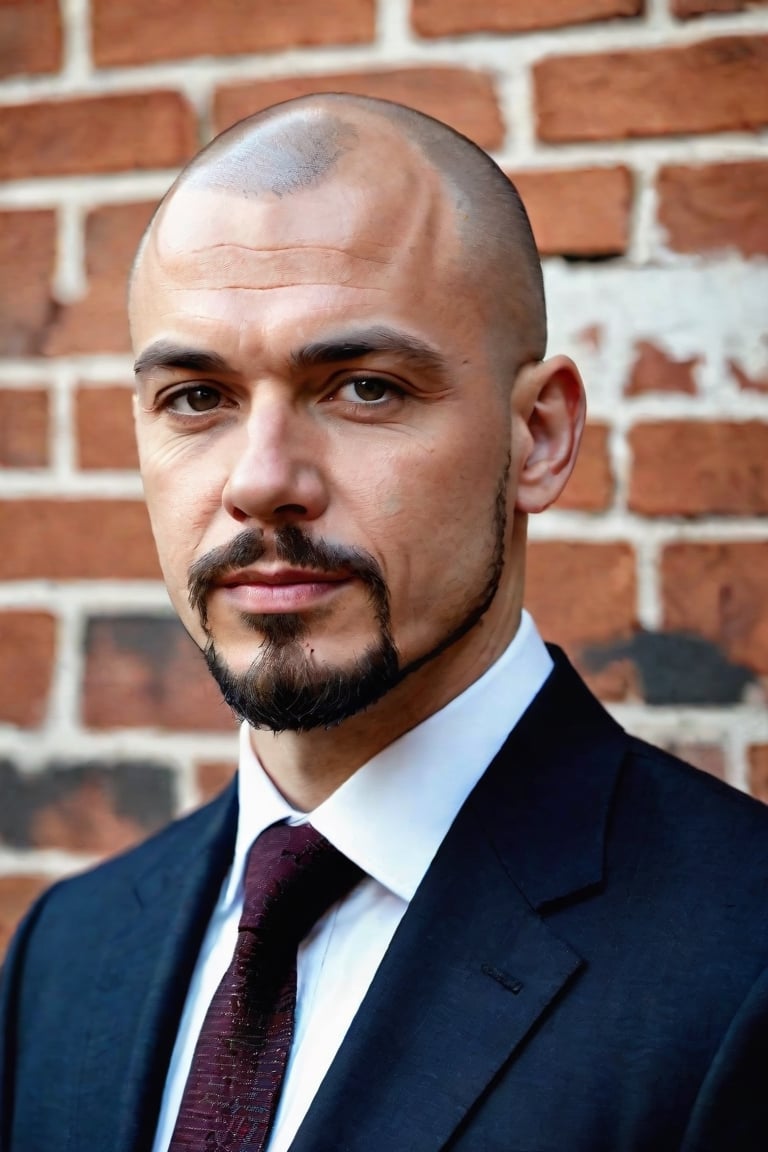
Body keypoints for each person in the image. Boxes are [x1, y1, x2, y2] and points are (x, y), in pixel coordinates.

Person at [1, 94, 767, 1152]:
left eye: (363, 388)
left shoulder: (741, 960)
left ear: (538, 436)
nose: (263, 482)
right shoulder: (64, 957)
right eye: (196, 398)